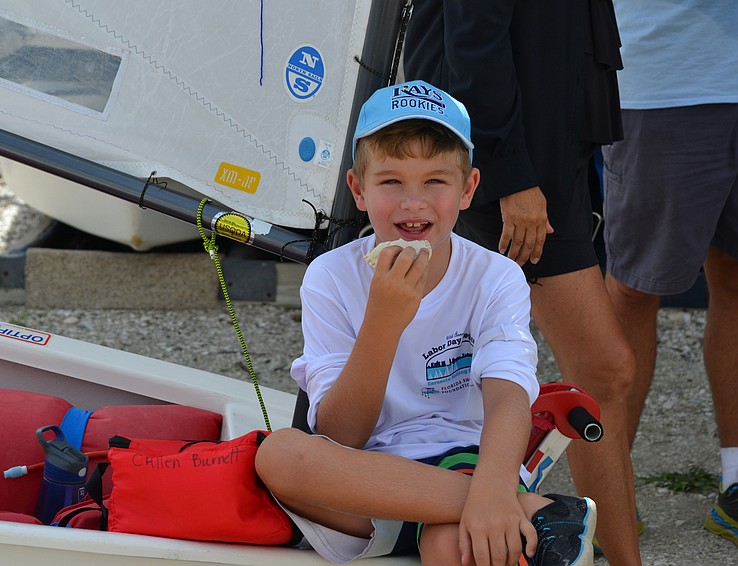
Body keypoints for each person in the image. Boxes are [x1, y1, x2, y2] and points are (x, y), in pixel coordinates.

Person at [255, 80, 596, 566]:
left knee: (449, 547)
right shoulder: (330, 276)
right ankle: (537, 511)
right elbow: (339, 437)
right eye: (391, 181)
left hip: (470, 456)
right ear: (358, 189)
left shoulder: (494, 275)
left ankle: (493, 505)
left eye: (435, 181)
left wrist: (493, 484)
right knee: (280, 455)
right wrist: (382, 323)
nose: (413, 203)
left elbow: (509, 397)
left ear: (468, 189)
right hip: (373, 480)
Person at [402, 2, 642, 564]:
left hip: (547, 154)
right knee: (605, 369)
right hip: (513, 169)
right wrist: (511, 179)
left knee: (589, 373)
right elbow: (472, 42)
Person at [600, 1, 738, 547]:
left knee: (735, 283)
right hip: (664, 78)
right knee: (635, 287)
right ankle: (606, 490)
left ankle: (735, 479)